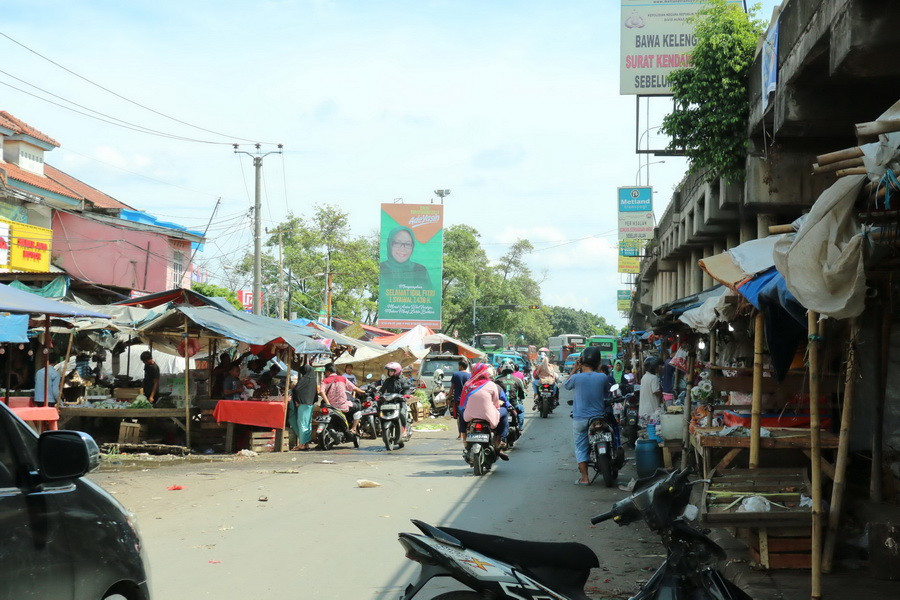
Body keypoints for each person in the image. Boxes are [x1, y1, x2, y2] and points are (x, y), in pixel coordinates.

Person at [564, 346, 612, 485]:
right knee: (612, 433)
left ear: (581, 362)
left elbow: (566, 385)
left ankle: (585, 478)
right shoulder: (602, 376)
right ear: (598, 363)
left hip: (580, 419)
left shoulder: (576, 378)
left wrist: (575, 368)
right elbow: (607, 391)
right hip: (599, 418)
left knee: (581, 447)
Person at [461, 363, 509, 460]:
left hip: (469, 416)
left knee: (461, 414)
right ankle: (498, 440)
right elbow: (496, 403)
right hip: (487, 415)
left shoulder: (467, 384)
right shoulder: (491, 385)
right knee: (504, 413)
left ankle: (465, 439)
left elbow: (463, 402)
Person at [322, 363, 365, 435]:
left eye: (325, 372)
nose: (324, 374)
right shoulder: (343, 378)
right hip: (342, 406)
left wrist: (328, 404)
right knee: (358, 406)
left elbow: (321, 392)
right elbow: (354, 388)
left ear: (328, 372)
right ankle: (354, 428)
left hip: (331, 407)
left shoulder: (325, 381)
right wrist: (363, 391)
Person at [288, 357, 317, 450]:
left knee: (302, 424)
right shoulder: (312, 380)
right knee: (308, 424)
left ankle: (301, 444)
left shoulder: (304, 380)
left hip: (303, 404)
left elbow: (296, 389)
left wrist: (297, 401)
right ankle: (306, 444)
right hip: (310, 404)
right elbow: (315, 394)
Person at [494, 360, 526, 441]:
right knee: (521, 410)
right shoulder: (518, 380)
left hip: (501, 405)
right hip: (514, 404)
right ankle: (520, 426)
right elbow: (522, 393)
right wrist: (522, 396)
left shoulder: (497, 379)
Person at [379, 361, 412, 437]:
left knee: (402, 413)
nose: (389, 372)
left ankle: (403, 429)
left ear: (396, 371)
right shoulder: (387, 380)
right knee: (380, 411)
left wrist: (406, 395)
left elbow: (406, 389)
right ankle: (382, 428)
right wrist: (378, 395)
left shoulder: (403, 380)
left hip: (399, 401)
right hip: (389, 401)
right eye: (389, 371)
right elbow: (382, 390)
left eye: (391, 371)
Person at [450, 358, 471, 436]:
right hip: (468, 399)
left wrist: (448, 397)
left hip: (458, 399)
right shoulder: (470, 375)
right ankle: (467, 431)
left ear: (461, 366)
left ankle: (460, 433)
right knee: (467, 415)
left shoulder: (456, 374)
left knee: (459, 417)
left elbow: (452, 387)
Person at [639, 358, 663, 425]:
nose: (658, 368)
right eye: (657, 367)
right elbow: (656, 391)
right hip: (651, 410)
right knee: (653, 430)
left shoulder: (644, 377)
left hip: (644, 410)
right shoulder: (654, 378)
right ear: (653, 367)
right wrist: (663, 395)